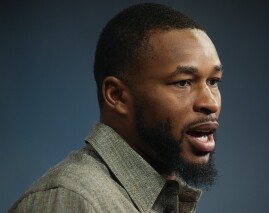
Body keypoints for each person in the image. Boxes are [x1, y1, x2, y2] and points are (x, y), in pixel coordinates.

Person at [9, 2, 223, 213]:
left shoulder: (167, 199)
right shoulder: (72, 198)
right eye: (183, 82)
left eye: (213, 81)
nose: (210, 103)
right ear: (116, 95)